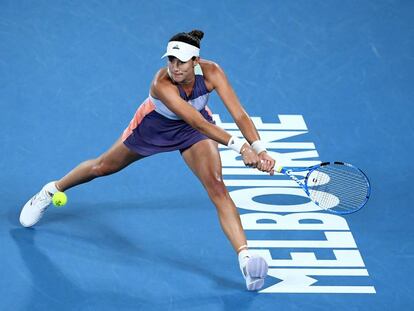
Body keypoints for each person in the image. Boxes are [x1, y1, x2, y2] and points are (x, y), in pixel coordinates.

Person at [19, 30, 276, 291]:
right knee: (102, 167)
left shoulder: (213, 72)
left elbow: (239, 114)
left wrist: (260, 149)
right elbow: (195, 119)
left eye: (182, 62)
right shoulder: (160, 83)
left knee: (217, 186)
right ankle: (51, 190)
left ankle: (245, 260)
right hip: (153, 128)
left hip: (194, 132)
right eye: (171, 60)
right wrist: (241, 147)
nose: (175, 67)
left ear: (196, 61)